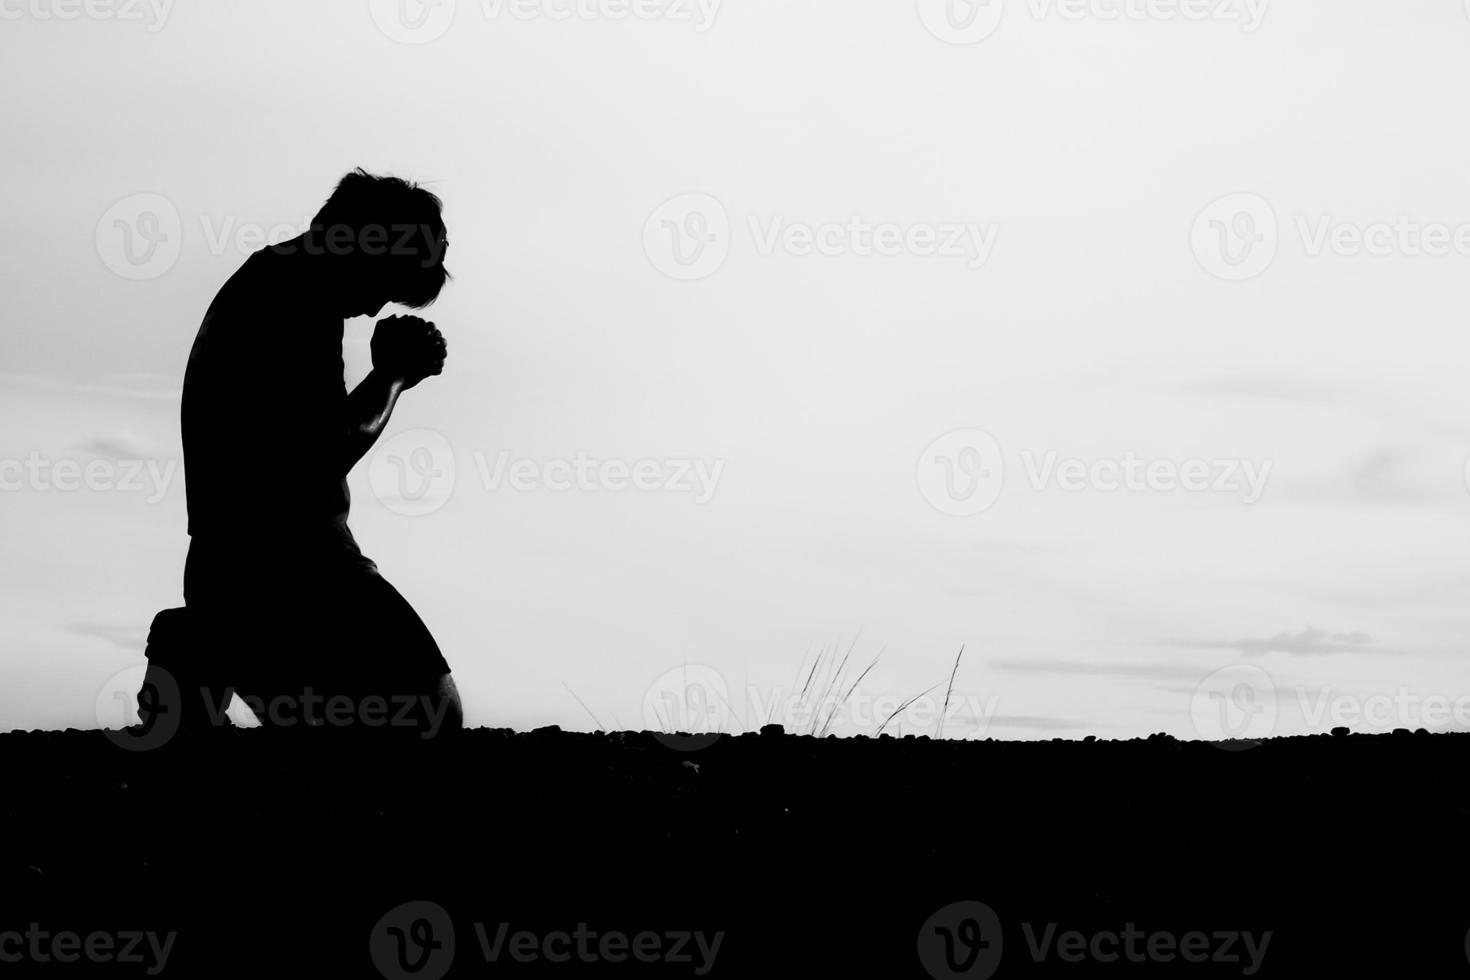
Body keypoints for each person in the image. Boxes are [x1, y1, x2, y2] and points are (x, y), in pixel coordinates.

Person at [164, 168, 462, 738]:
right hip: (297, 566)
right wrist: (393, 376)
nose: (376, 306)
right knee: (432, 715)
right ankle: (204, 650)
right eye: (386, 281)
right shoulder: (295, 297)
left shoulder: (272, 284)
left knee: (328, 730)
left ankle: (203, 658)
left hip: (230, 569)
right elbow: (320, 453)